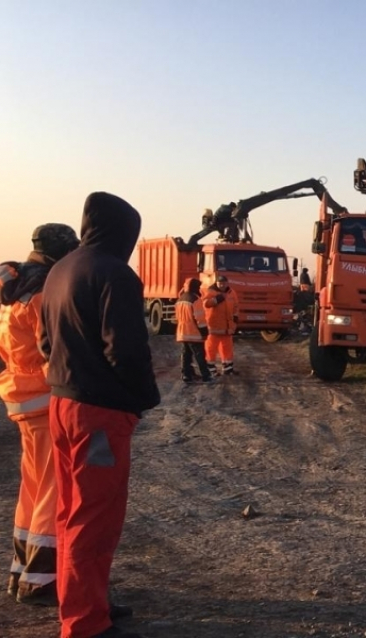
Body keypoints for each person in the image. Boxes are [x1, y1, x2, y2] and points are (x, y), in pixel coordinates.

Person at [39, 192, 160, 638]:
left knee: (72, 509)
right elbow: (126, 350)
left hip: (62, 404)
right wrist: (145, 397)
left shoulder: (59, 270)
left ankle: (90, 602)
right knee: (96, 516)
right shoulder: (115, 275)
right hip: (100, 416)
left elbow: (45, 344)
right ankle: (85, 621)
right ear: (124, 232)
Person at [1, 223, 79, 608]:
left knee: (31, 487)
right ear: (60, 251)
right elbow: (54, 349)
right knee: (52, 487)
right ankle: (41, 580)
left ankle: (22, 570)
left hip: (19, 399)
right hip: (46, 400)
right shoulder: (44, 291)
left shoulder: (10, 290)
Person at [176, 278, 212, 384]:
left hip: (182, 332)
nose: (200, 289)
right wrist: (204, 332)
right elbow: (199, 318)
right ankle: (206, 376)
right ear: (195, 287)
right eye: (199, 287)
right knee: (199, 355)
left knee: (185, 354)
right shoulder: (195, 300)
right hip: (194, 333)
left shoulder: (180, 299)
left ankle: (186, 375)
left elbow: (177, 317)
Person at [203, 274, 239, 376]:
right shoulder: (210, 292)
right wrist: (216, 300)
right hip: (213, 327)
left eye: (223, 283)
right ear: (216, 283)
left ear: (227, 283)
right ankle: (211, 370)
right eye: (220, 283)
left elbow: (236, 307)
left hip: (227, 328)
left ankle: (228, 368)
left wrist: (235, 320)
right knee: (211, 349)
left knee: (227, 348)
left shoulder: (232, 293)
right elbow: (205, 304)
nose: (222, 285)